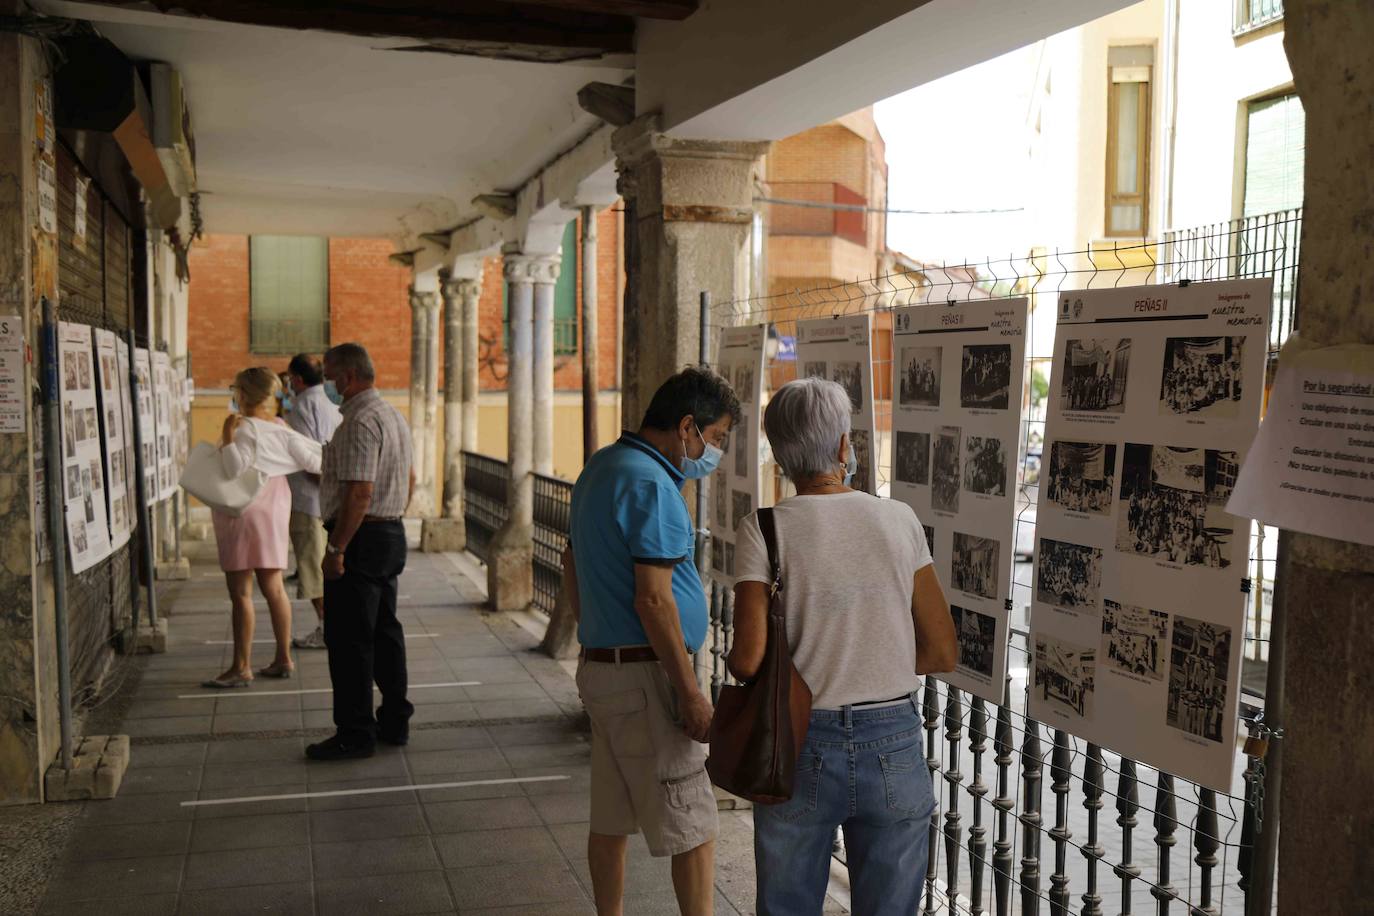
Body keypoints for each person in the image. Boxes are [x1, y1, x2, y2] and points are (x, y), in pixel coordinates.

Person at [727, 377, 957, 916]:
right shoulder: (897, 519)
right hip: (893, 743)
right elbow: (943, 651)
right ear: (842, 446)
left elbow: (748, 659)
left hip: (797, 742)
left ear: (781, 455)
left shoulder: (764, 529)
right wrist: (876, 655)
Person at [559, 366, 739, 916]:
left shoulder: (604, 466)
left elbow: (570, 562)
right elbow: (654, 600)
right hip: (645, 678)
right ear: (687, 427)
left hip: (605, 670)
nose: (715, 452)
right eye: (716, 438)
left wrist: (595, 630)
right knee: (693, 822)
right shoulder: (651, 484)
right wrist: (688, 693)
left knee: (611, 818)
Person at [306, 342, 415, 761]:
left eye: (329, 376)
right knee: (385, 631)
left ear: (348, 377)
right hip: (388, 532)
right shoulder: (391, 415)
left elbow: (359, 492)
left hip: (361, 538)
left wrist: (337, 548)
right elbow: (410, 477)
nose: (328, 385)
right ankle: (395, 720)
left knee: (351, 639)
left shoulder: (358, 422)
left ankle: (355, 732)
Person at [202, 367, 323, 689]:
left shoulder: (243, 428)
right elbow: (315, 460)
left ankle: (241, 666)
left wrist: (228, 435)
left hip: (242, 515)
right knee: (274, 588)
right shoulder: (281, 427)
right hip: (274, 512)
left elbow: (233, 469)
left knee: (241, 593)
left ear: (242, 393)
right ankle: (283, 657)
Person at [283, 353, 342, 650]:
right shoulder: (330, 404)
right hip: (328, 499)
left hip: (310, 500)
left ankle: (327, 627)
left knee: (313, 568)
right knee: (324, 565)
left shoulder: (303, 407)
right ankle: (332, 626)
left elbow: (311, 456)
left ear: (296, 379)